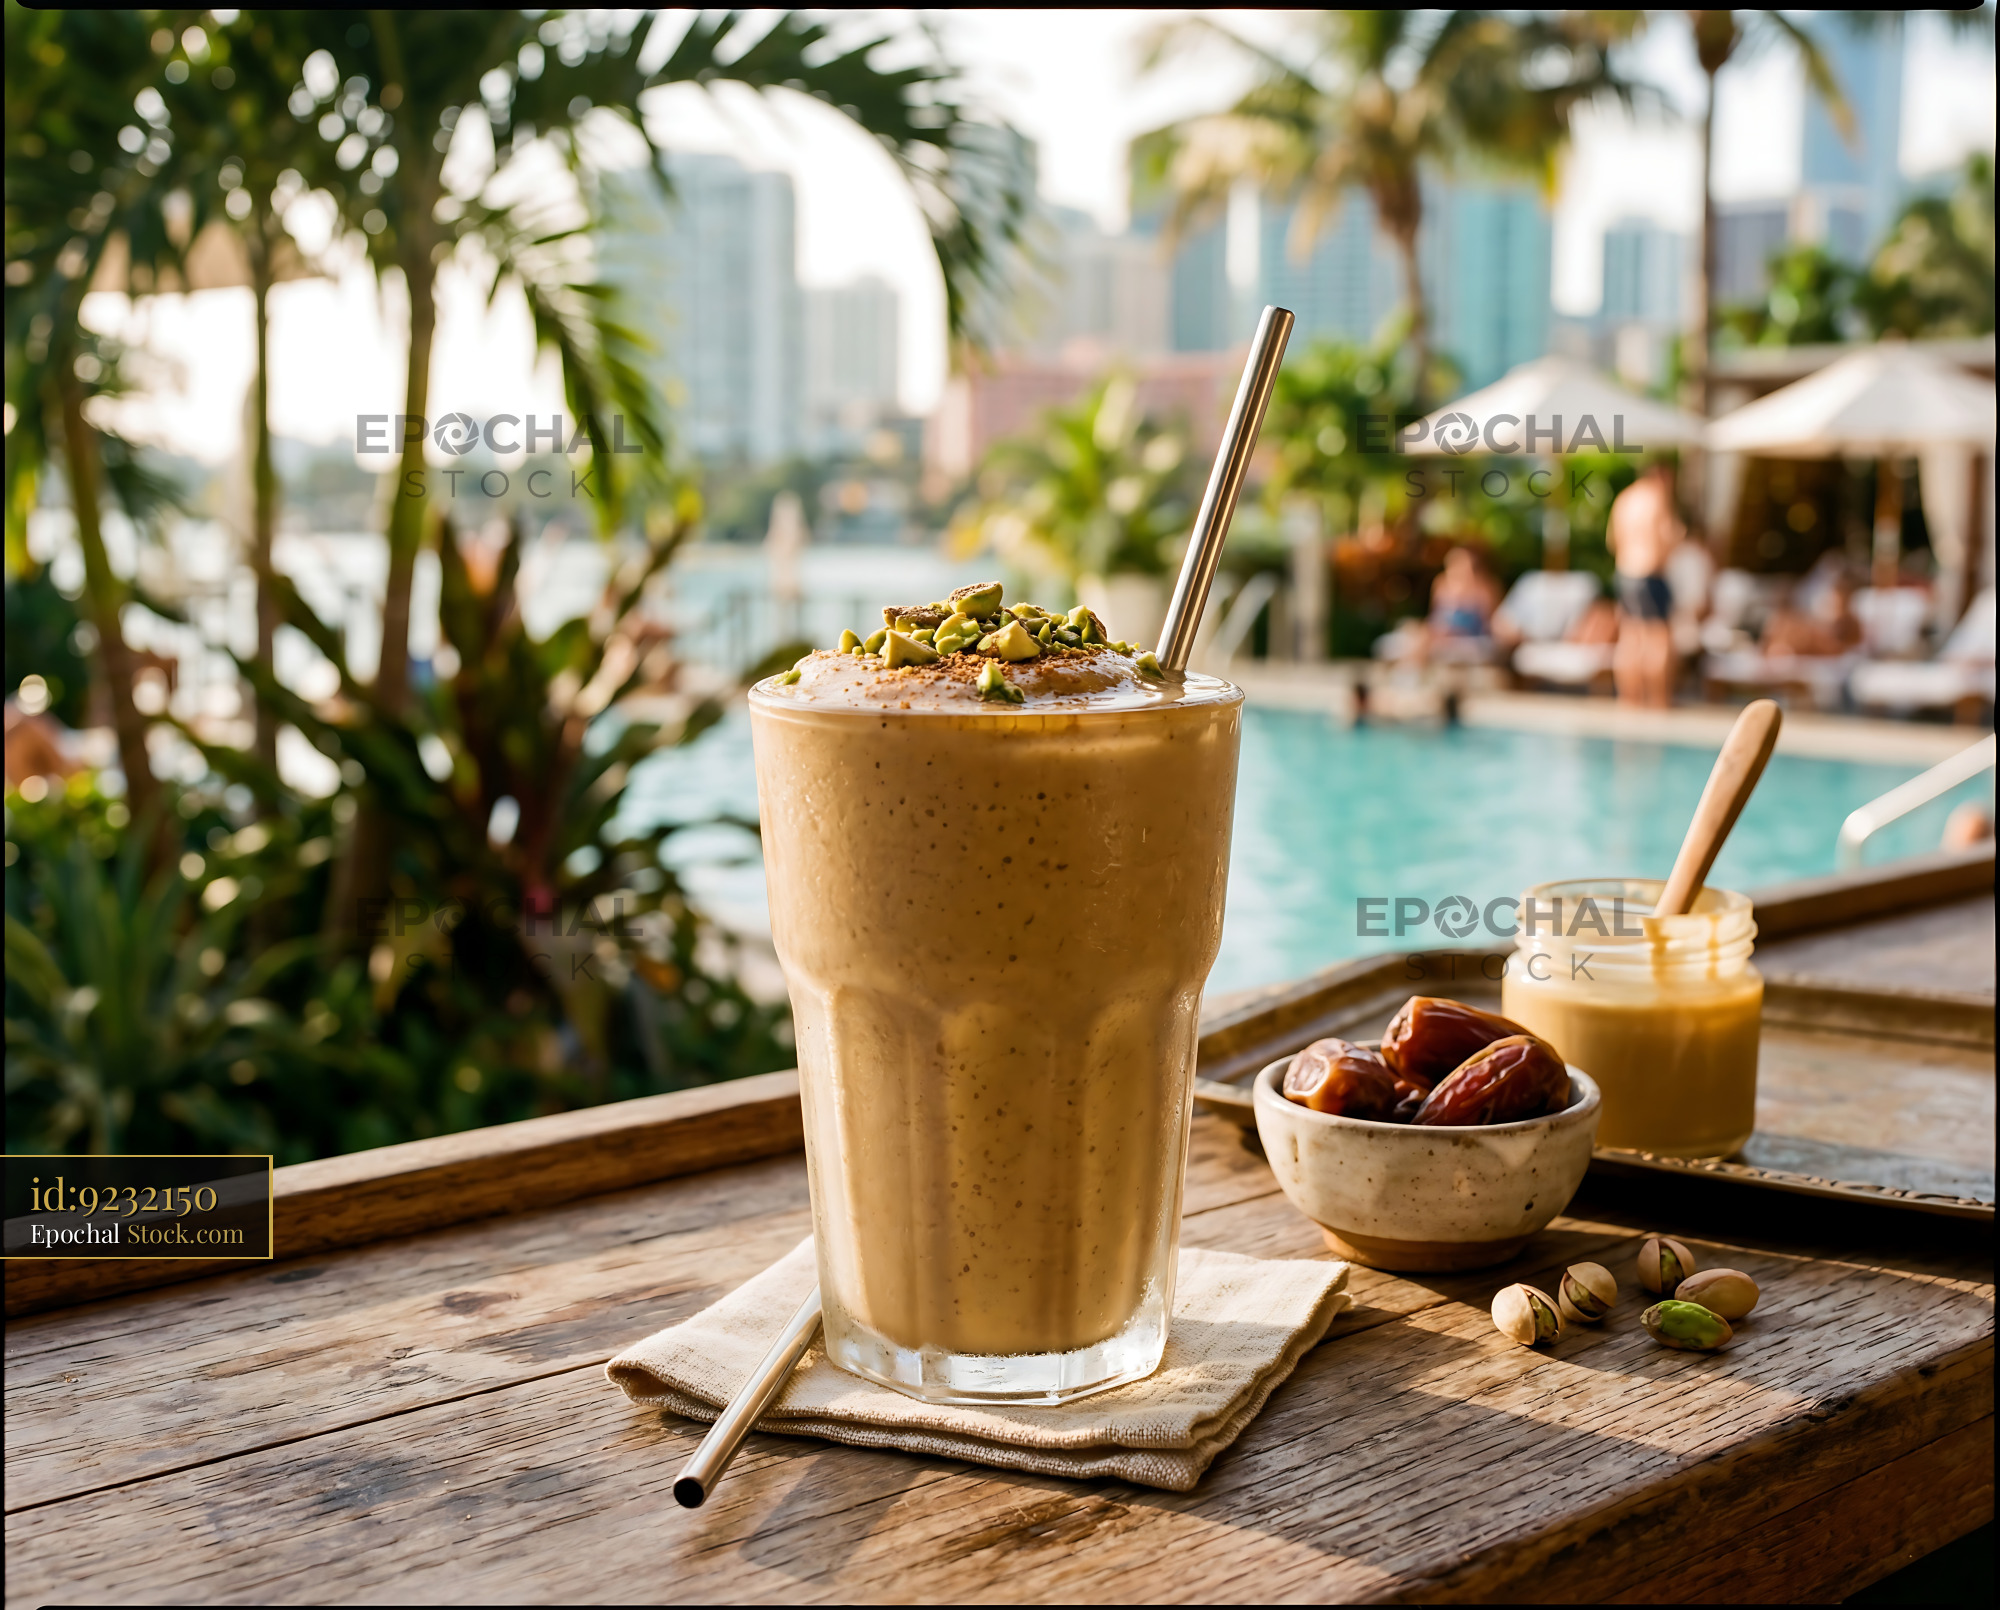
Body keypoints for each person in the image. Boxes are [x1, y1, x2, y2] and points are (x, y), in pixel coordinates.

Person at [1608, 462, 1685, 707]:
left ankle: (1628, 699)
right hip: (1650, 572)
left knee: (1630, 637)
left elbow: (1612, 540)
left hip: (1625, 572)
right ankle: (1659, 701)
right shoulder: (1657, 498)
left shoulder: (1625, 498)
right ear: (1664, 476)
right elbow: (1665, 538)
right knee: (1659, 639)